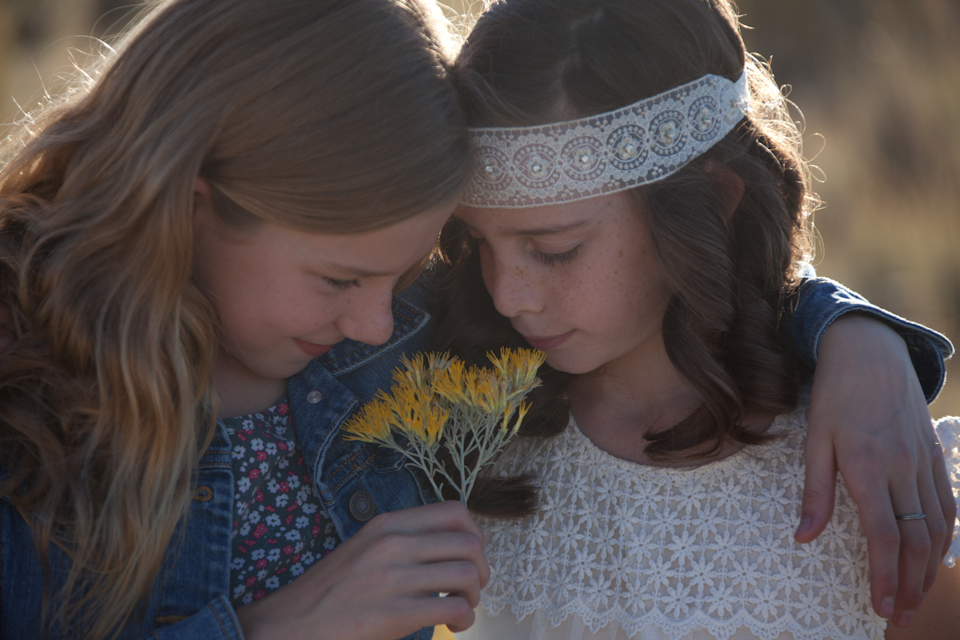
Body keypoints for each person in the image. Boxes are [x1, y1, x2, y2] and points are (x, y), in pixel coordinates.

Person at [0, 0, 952, 639]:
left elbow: (709, 266)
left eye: (412, 270)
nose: (380, 322)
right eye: (339, 276)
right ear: (195, 203)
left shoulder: (405, 352)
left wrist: (858, 340)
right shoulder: (33, 398)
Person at [433, 0, 960, 638]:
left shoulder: (873, 463)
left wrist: (860, 335)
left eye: (554, 250)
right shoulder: (462, 425)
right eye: (478, 243)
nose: (507, 294)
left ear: (708, 201)